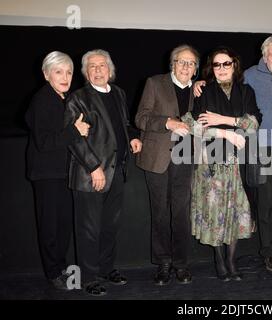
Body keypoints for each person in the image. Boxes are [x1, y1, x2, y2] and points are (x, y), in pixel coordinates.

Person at [195, 36, 272, 273]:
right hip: (255, 148)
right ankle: (269, 253)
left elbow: (255, 118)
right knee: (265, 202)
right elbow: (199, 123)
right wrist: (199, 84)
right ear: (264, 57)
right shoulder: (251, 76)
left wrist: (225, 122)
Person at [64, 49, 142, 296]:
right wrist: (94, 167)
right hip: (91, 174)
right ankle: (88, 278)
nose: (98, 70)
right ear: (86, 72)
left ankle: (107, 268)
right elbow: (75, 139)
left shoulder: (118, 93)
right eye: (92, 67)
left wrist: (133, 138)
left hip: (117, 170)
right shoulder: (78, 98)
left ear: (110, 69)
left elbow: (124, 124)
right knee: (88, 229)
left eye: (102, 66)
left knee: (110, 225)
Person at [184, 47, 262, 281]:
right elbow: (194, 126)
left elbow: (255, 122)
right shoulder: (205, 91)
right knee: (215, 213)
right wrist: (224, 132)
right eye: (216, 65)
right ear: (212, 68)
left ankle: (231, 260)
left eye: (226, 64)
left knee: (236, 213)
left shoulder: (246, 91)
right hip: (212, 163)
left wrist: (223, 120)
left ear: (234, 65)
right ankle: (219, 260)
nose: (221, 69)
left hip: (240, 162)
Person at [135, 45, 199, 286]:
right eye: (181, 62)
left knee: (182, 214)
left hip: (186, 156)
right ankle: (163, 263)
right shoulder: (154, 83)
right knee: (160, 213)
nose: (186, 67)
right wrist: (167, 123)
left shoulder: (199, 89)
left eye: (191, 63)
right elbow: (140, 118)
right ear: (172, 64)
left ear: (195, 68)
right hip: (158, 156)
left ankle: (181, 264)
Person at [25, 51, 90, 290]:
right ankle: (54, 273)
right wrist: (75, 131)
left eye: (69, 72)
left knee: (63, 224)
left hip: (63, 173)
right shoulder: (42, 100)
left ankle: (61, 269)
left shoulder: (64, 98)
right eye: (58, 71)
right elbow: (44, 142)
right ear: (46, 74)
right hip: (47, 174)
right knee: (51, 226)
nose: (65, 76)